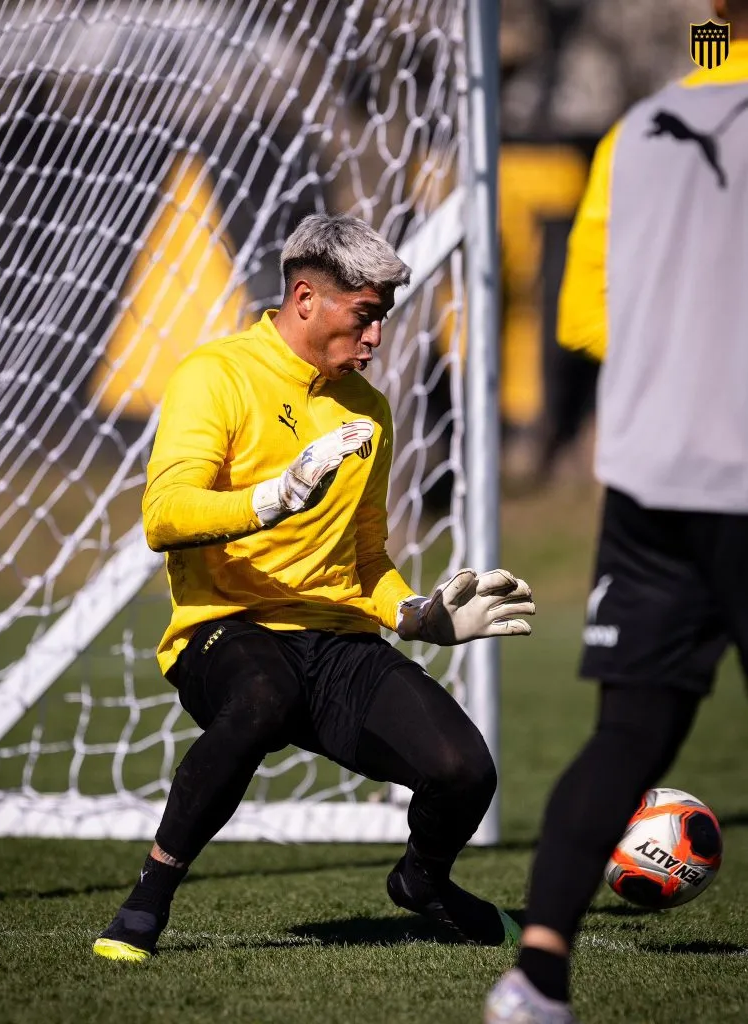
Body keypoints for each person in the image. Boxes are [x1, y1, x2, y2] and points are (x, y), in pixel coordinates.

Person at [93, 213, 536, 962]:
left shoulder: (367, 408)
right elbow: (163, 517)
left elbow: (365, 557)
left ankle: (422, 883)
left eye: (382, 320)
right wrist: (269, 499)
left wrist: (415, 613)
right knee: (264, 697)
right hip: (225, 630)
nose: (375, 339)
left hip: (336, 638)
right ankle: (148, 897)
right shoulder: (216, 373)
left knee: (465, 772)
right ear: (305, 299)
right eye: (364, 317)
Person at [485, 2, 748, 1021]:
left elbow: (586, 312)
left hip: (646, 473)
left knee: (627, 734)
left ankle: (537, 977)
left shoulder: (633, 132)